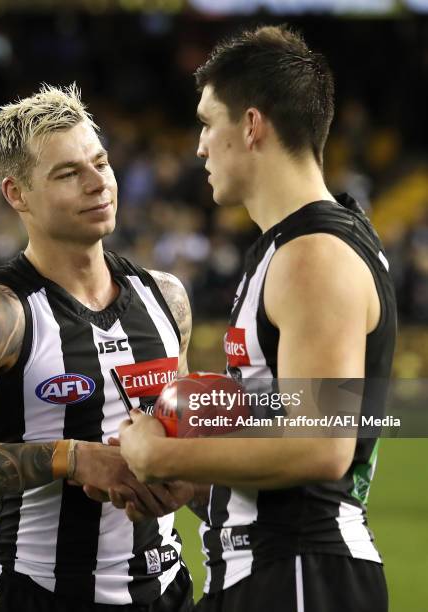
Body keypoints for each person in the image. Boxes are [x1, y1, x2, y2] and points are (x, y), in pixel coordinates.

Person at [118, 25, 396, 612]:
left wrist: (165, 456)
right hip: (272, 568)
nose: (198, 147)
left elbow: (321, 446)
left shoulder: (314, 256)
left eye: (205, 122)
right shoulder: (291, 246)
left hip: (299, 570)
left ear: (250, 126)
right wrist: (199, 486)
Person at [0, 85, 195, 612]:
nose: (97, 183)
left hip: (167, 592)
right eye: (67, 173)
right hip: (41, 595)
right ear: (17, 194)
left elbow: (186, 437)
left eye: (100, 162)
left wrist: (189, 478)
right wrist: (74, 459)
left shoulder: (166, 298)